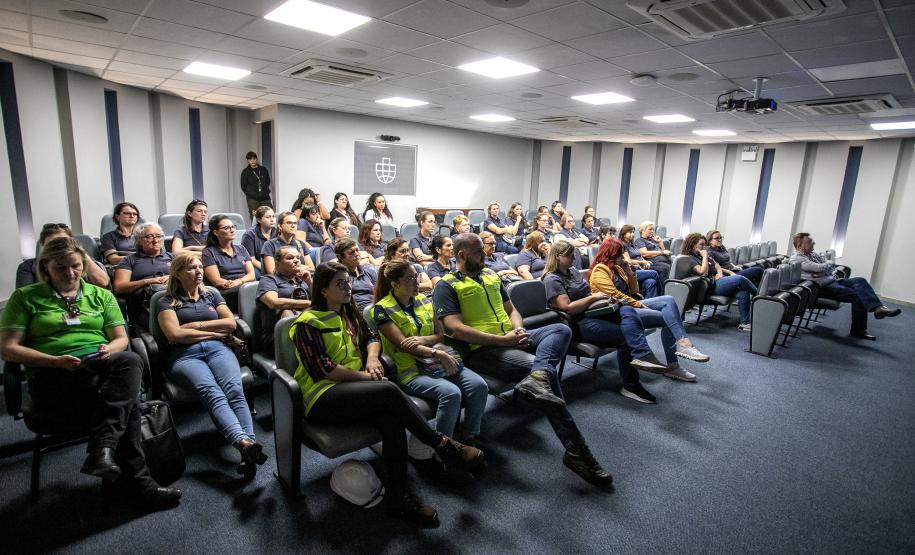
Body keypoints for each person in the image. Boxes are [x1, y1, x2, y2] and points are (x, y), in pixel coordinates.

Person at [290, 261, 484, 526]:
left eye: (348, 282)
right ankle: (440, 444)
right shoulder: (307, 322)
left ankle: (398, 497)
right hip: (323, 397)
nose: (348, 288)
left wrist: (372, 358)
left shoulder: (349, 312)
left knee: (392, 423)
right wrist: (366, 377)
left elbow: (371, 337)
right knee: (389, 390)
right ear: (323, 290)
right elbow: (323, 369)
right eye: (340, 284)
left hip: (355, 391)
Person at [0, 237, 182, 508]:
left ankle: (106, 453)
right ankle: (131, 477)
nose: (70, 273)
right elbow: (8, 349)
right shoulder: (26, 297)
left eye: (75, 266)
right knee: (128, 402)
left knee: (129, 359)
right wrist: (54, 361)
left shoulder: (100, 295)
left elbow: (120, 339)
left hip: (98, 364)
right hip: (52, 374)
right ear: (45, 267)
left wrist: (108, 349)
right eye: (61, 268)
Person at [433, 233, 612, 486]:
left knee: (560, 329)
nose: (485, 255)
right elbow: (454, 328)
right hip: (483, 350)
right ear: (461, 255)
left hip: (511, 338)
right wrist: (504, 341)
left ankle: (538, 375)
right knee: (548, 376)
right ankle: (577, 451)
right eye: (478, 252)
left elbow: (512, 310)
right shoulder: (446, 285)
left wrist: (518, 330)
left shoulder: (490, 275)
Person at [157, 252, 265, 478]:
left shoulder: (211, 294)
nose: (199, 271)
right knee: (212, 392)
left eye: (200, 267)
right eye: (192, 268)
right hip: (184, 356)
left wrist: (194, 327)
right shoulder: (166, 301)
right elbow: (174, 335)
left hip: (218, 349)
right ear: (177, 273)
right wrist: (213, 332)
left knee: (235, 390)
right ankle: (244, 444)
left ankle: (246, 448)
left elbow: (230, 324)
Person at [373, 259, 488, 442]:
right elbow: (403, 345)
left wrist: (424, 340)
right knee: (451, 393)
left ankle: (469, 435)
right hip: (412, 371)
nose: (417, 282)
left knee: (479, 385)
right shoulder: (382, 309)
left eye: (416, 277)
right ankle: (445, 447)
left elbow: (439, 335)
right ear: (395, 285)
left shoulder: (423, 299)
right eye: (410, 279)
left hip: (436, 364)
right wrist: (437, 353)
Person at [542, 240, 672, 402]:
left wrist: (601, 300)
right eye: (570, 256)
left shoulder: (573, 271)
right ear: (558, 257)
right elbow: (568, 308)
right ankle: (631, 385)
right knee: (625, 335)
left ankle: (642, 355)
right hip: (578, 323)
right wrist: (594, 298)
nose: (574, 259)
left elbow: (587, 292)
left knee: (627, 309)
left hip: (593, 312)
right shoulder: (551, 279)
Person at [589, 238, 709, 380]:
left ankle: (684, 345)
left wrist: (630, 273)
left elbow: (634, 290)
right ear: (611, 254)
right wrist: (639, 304)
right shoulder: (600, 269)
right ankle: (674, 365)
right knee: (669, 319)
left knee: (669, 300)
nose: (623, 257)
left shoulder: (618, 268)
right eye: (620, 254)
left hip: (629, 305)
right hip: (618, 311)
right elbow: (615, 295)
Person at [790, 232, 899, 340]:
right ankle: (859, 330)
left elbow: (830, 264)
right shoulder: (797, 258)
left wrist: (823, 269)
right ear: (800, 245)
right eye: (810, 242)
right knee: (858, 296)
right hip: (822, 288)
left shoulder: (812, 255)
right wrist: (824, 268)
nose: (813, 243)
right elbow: (821, 267)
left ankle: (878, 308)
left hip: (832, 281)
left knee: (860, 281)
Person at [682, 233, 758, 331]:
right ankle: (759, 296)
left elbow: (716, 265)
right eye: (701, 244)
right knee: (740, 279)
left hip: (717, 282)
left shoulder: (701, 255)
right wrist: (705, 256)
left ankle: (745, 323)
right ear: (693, 245)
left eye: (704, 244)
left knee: (743, 292)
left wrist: (719, 272)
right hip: (709, 287)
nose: (704, 247)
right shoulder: (690, 259)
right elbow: (703, 273)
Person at [113, 223, 173, 330]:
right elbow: (119, 287)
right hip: (145, 305)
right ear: (139, 240)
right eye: (149, 237)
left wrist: (173, 278)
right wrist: (146, 281)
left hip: (175, 300)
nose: (155, 240)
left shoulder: (173, 258)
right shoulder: (129, 260)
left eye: (158, 236)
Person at [255, 245, 311, 356]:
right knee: (287, 312)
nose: (296, 260)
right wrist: (308, 303)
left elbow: (320, 300)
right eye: (290, 258)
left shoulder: (302, 280)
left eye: (298, 258)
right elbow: (273, 302)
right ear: (277, 264)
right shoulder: (269, 280)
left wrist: (309, 281)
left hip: (307, 330)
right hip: (277, 337)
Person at [17, 223, 110, 289]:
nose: (60, 248)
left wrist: (79, 252)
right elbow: (26, 296)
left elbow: (102, 282)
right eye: (53, 244)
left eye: (64, 242)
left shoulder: (82, 260)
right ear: (43, 244)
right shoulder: (28, 266)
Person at [202, 214, 256, 313]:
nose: (232, 230)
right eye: (226, 228)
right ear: (216, 232)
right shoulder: (209, 252)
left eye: (233, 227)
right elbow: (216, 281)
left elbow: (251, 274)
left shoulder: (241, 249)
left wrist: (239, 281)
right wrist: (234, 284)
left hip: (242, 284)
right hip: (225, 291)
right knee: (250, 291)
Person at [262, 211, 315, 276]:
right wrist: (298, 269)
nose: (293, 226)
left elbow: (311, 269)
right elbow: (271, 271)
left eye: (295, 223)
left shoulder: (301, 244)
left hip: (300, 280)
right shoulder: (270, 244)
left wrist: (289, 269)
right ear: (280, 226)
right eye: (289, 223)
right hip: (280, 281)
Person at [335, 239, 379, 311]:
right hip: (358, 312)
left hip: (377, 307)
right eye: (351, 253)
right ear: (341, 257)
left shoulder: (369, 269)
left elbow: (381, 291)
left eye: (357, 250)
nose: (356, 254)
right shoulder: (339, 277)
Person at [619, 224, 659, 298]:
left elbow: (639, 255)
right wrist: (643, 262)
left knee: (651, 282)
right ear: (624, 234)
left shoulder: (632, 244)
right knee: (654, 273)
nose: (633, 234)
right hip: (630, 272)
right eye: (630, 232)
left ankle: (649, 303)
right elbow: (628, 261)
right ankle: (660, 295)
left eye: (633, 232)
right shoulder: (622, 245)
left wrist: (643, 260)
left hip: (639, 268)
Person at [241, 206, 277, 278]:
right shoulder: (249, 235)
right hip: (257, 267)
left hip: (274, 266)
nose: (272, 219)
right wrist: (267, 269)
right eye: (268, 217)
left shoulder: (277, 233)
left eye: (273, 216)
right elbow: (251, 259)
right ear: (259, 220)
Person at [634, 221, 671, 288]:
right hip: (653, 263)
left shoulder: (653, 240)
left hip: (664, 261)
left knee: (673, 266)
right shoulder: (639, 240)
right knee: (665, 268)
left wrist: (660, 242)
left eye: (653, 229)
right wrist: (661, 253)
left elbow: (664, 251)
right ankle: (663, 291)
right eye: (650, 229)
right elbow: (644, 254)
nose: (652, 231)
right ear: (643, 230)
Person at [240, 152, 272, 218]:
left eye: (254, 159)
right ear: (247, 161)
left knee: (269, 214)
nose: (252, 161)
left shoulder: (263, 169)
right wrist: (250, 193)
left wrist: (264, 191)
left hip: (265, 198)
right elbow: (243, 186)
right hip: (253, 199)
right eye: (250, 159)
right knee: (255, 217)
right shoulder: (245, 172)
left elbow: (267, 182)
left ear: (256, 159)